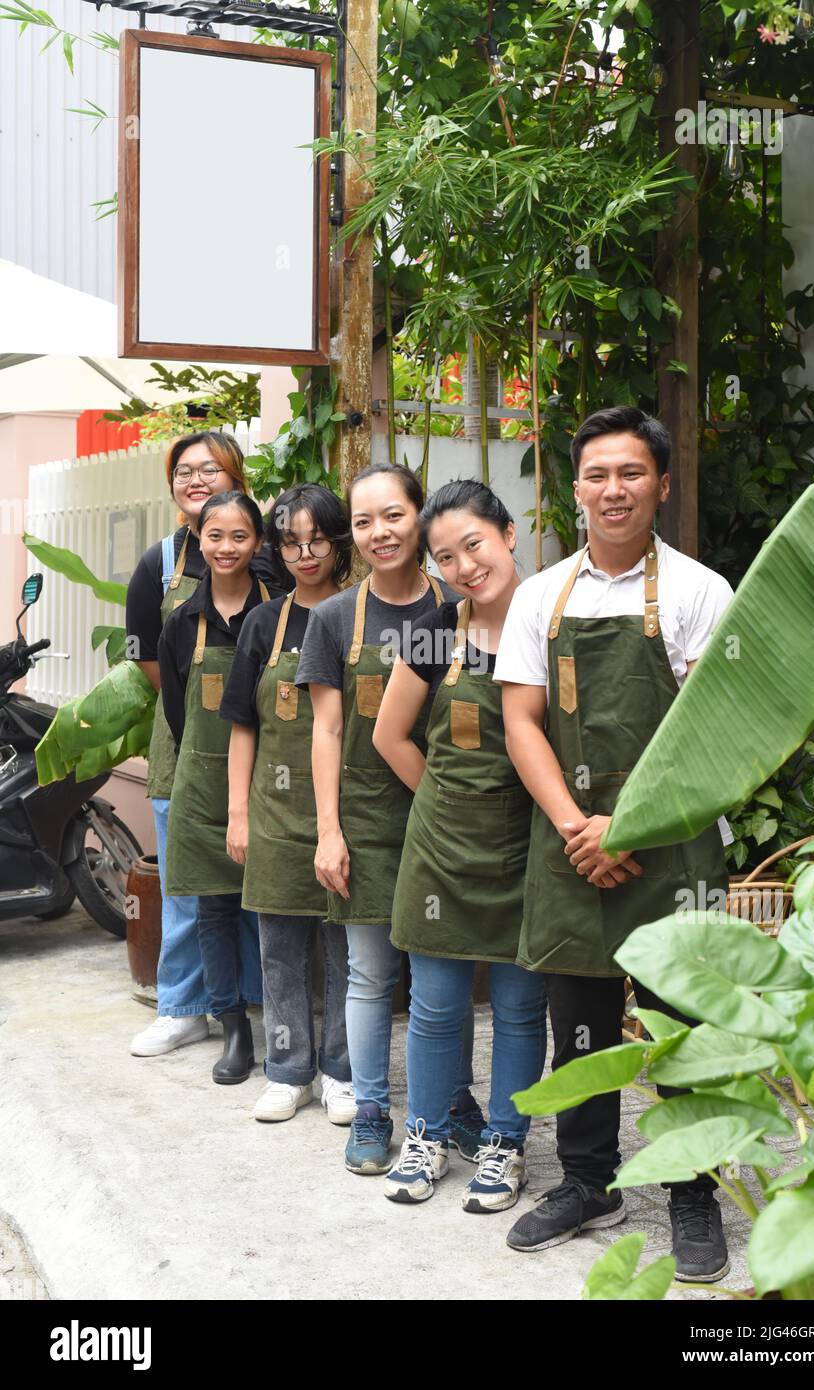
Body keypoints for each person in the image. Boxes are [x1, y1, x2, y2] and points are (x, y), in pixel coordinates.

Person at [495, 406, 734, 1282]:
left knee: (682, 1028)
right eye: (596, 474)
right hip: (568, 846)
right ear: (575, 488)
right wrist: (576, 827)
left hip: (668, 848)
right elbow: (521, 723)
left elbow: (711, 731)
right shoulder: (538, 595)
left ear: (661, 485)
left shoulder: (700, 592)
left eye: (631, 473)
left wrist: (625, 825)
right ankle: (588, 1181)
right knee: (583, 1028)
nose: (613, 489)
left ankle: (692, 1192)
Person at [295, 463, 480, 1175]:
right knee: (369, 976)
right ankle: (371, 1109)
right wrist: (328, 830)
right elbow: (325, 732)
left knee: (446, 976)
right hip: (369, 823)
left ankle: (453, 1101)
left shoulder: (457, 606)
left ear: (420, 516)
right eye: (364, 521)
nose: (380, 533)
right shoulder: (335, 618)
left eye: (394, 516)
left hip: (451, 822)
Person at [372, 481, 548, 1212]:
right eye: (444, 557)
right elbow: (388, 736)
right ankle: (427, 1134)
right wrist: (448, 803)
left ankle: (504, 1144)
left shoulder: (552, 628)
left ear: (508, 534)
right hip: (440, 855)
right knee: (437, 1009)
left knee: (517, 1009)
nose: (463, 566)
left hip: (529, 854)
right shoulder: (430, 633)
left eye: (473, 544)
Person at [127, 433, 284, 1059]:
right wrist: (206, 708)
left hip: (267, 748)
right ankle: (183, 1007)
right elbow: (149, 658)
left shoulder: (269, 561)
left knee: (255, 891)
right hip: (184, 746)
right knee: (189, 888)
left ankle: (247, 1006)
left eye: (209, 469)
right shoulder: (158, 563)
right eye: (183, 471)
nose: (195, 480)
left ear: (235, 476)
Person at [220, 484, 357, 1125]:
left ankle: (341, 1071)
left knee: (345, 951)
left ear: (337, 542)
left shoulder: (363, 613)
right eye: (291, 542)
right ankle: (286, 1070)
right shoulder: (263, 624)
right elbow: (242, 723)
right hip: (275, 813)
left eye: (317, 540)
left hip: (348, 808)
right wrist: (240, 813)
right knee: (279, 949)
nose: (306, 553)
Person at [158, 490, 275, 1084]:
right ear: (197, 541)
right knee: (214, 911)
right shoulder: (182, 623)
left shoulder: (280, 613)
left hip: (276, 785)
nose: (226, 548)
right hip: (203, 788)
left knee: (277, 911)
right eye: (214, 536)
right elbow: (177, 713)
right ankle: (233, 1027)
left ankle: (281, 1024)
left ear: (257, 543)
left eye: (239, 536)